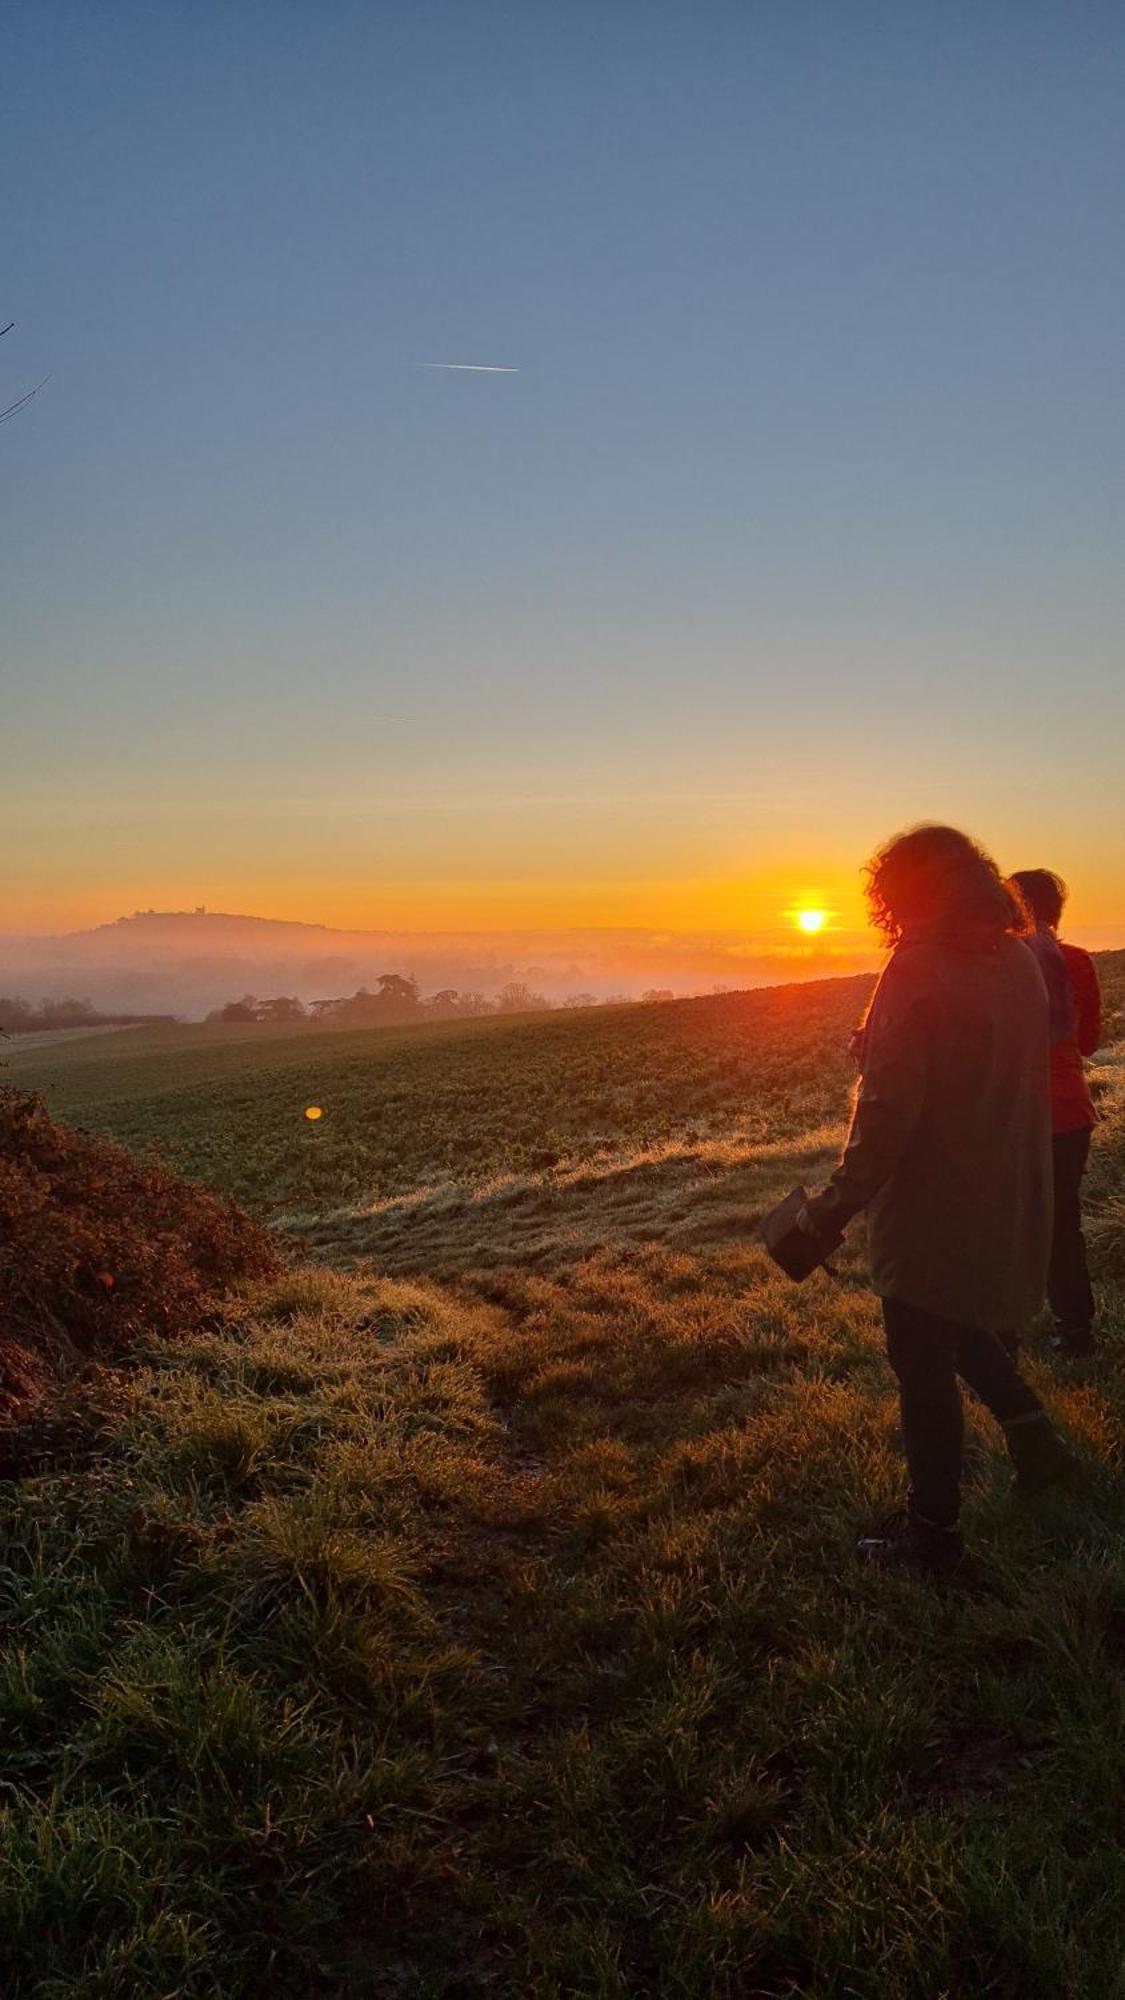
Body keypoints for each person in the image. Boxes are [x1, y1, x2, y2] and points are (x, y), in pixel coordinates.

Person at [790, 825, 1077, 1575]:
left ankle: (932, 1540)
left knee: (920, 1361)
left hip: (934, 1199)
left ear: (897, 896)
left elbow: (887, 1113)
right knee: (957, 1321)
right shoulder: (1015, 956)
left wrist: (832, 1207)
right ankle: (1035, 1441)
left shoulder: (913, 966)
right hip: (1009, 1178)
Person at [1009, 868, 1101, 1357]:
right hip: (1069, 1115)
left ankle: (1003, 1336)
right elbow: (1087, 1044)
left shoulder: (997, 967)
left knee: (1007, 1222)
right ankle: (1076, 1332)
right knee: (1062, 1222)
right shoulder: (1077, 963)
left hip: (1010, 1118)